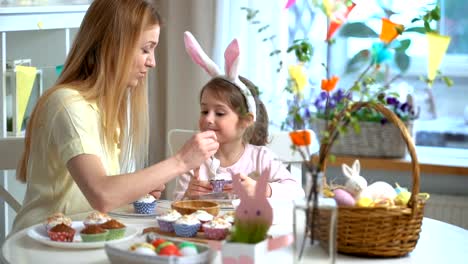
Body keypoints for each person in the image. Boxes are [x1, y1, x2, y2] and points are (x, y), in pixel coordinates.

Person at [11, 0, 218, 234]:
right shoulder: (68, 104)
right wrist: (181, 161)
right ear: (114, 45)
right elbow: (102, 195)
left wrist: (135, 190)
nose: (152, 61)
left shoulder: (104, 109)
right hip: (40, 245)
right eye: (145, 49)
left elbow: (102, 195)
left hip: (84, 238)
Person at [173, 32, 304, 200]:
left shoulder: (261, 158)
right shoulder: (194, 160)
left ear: (245, 121)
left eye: (219, 113)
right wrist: (188, 195)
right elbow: (176, 204)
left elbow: (297, 192)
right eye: (204, 111)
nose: (208, 119)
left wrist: (263, 189)